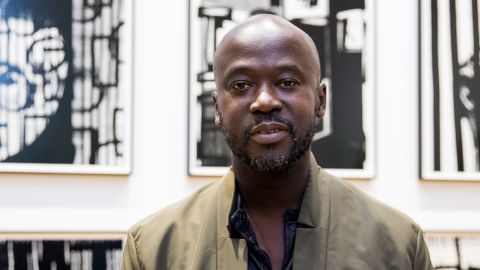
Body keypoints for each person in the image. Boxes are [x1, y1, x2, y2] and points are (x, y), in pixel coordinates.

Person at [121, 14, 433, 270]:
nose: (265, 100)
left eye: (287, 82)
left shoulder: (398, 244)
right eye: (242, 84)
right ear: (217, 108)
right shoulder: (152, 249)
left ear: (320, 101)